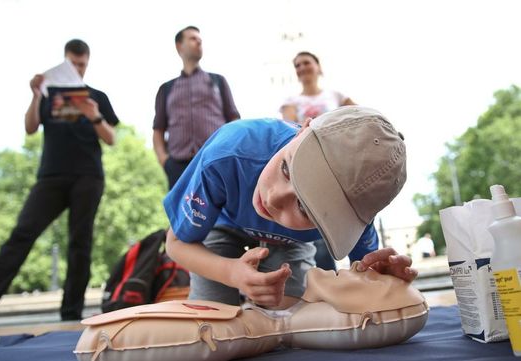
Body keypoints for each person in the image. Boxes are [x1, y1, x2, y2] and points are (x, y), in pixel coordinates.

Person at [163, 105, 417, 309]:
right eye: (286, 168)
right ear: (303, 129)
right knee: (212, 318)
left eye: (305, 208)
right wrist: (231, 273)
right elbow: (176, 244)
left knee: (295, 316)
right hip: (223, 223)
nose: (273, 198)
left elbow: (368, 282)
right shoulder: (228, 154)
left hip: (289, 242)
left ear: (345, 224)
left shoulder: (354, 212)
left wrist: (383, 282)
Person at [0, 39, 119, 324]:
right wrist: (35, 94)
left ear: (87, 63)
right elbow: (30, 128)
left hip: (88, 177)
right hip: (51, 177)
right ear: (64, 63)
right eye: (73, 64)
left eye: (82, 64)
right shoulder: (47, 95)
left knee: (80, 243)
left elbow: (111, 138)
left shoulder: (97, 96)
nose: (78, 68)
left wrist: (94, 115)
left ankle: (71, 314)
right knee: (21, 235)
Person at [281, 51, 356, 271]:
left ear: (318, 66)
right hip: (311, 167)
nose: (302, 67)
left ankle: (363, 270)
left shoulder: (337, 95)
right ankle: (327, 278)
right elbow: (288, 127)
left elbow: (360, 118)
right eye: (297, 65)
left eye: (306, 62)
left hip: (340, 165)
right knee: (318, 221)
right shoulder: (292, 101)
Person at [152, 25, 240, 189]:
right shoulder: (167, 88)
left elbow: (234, 120)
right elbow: (158, 130)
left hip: (216, 160)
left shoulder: (218, 81)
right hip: (178, 167)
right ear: (179, 46)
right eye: (193, 39)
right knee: (183, 214)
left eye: (200, 40)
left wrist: (229, 153)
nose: (198, 42)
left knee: (223, 213)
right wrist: (164, 161)